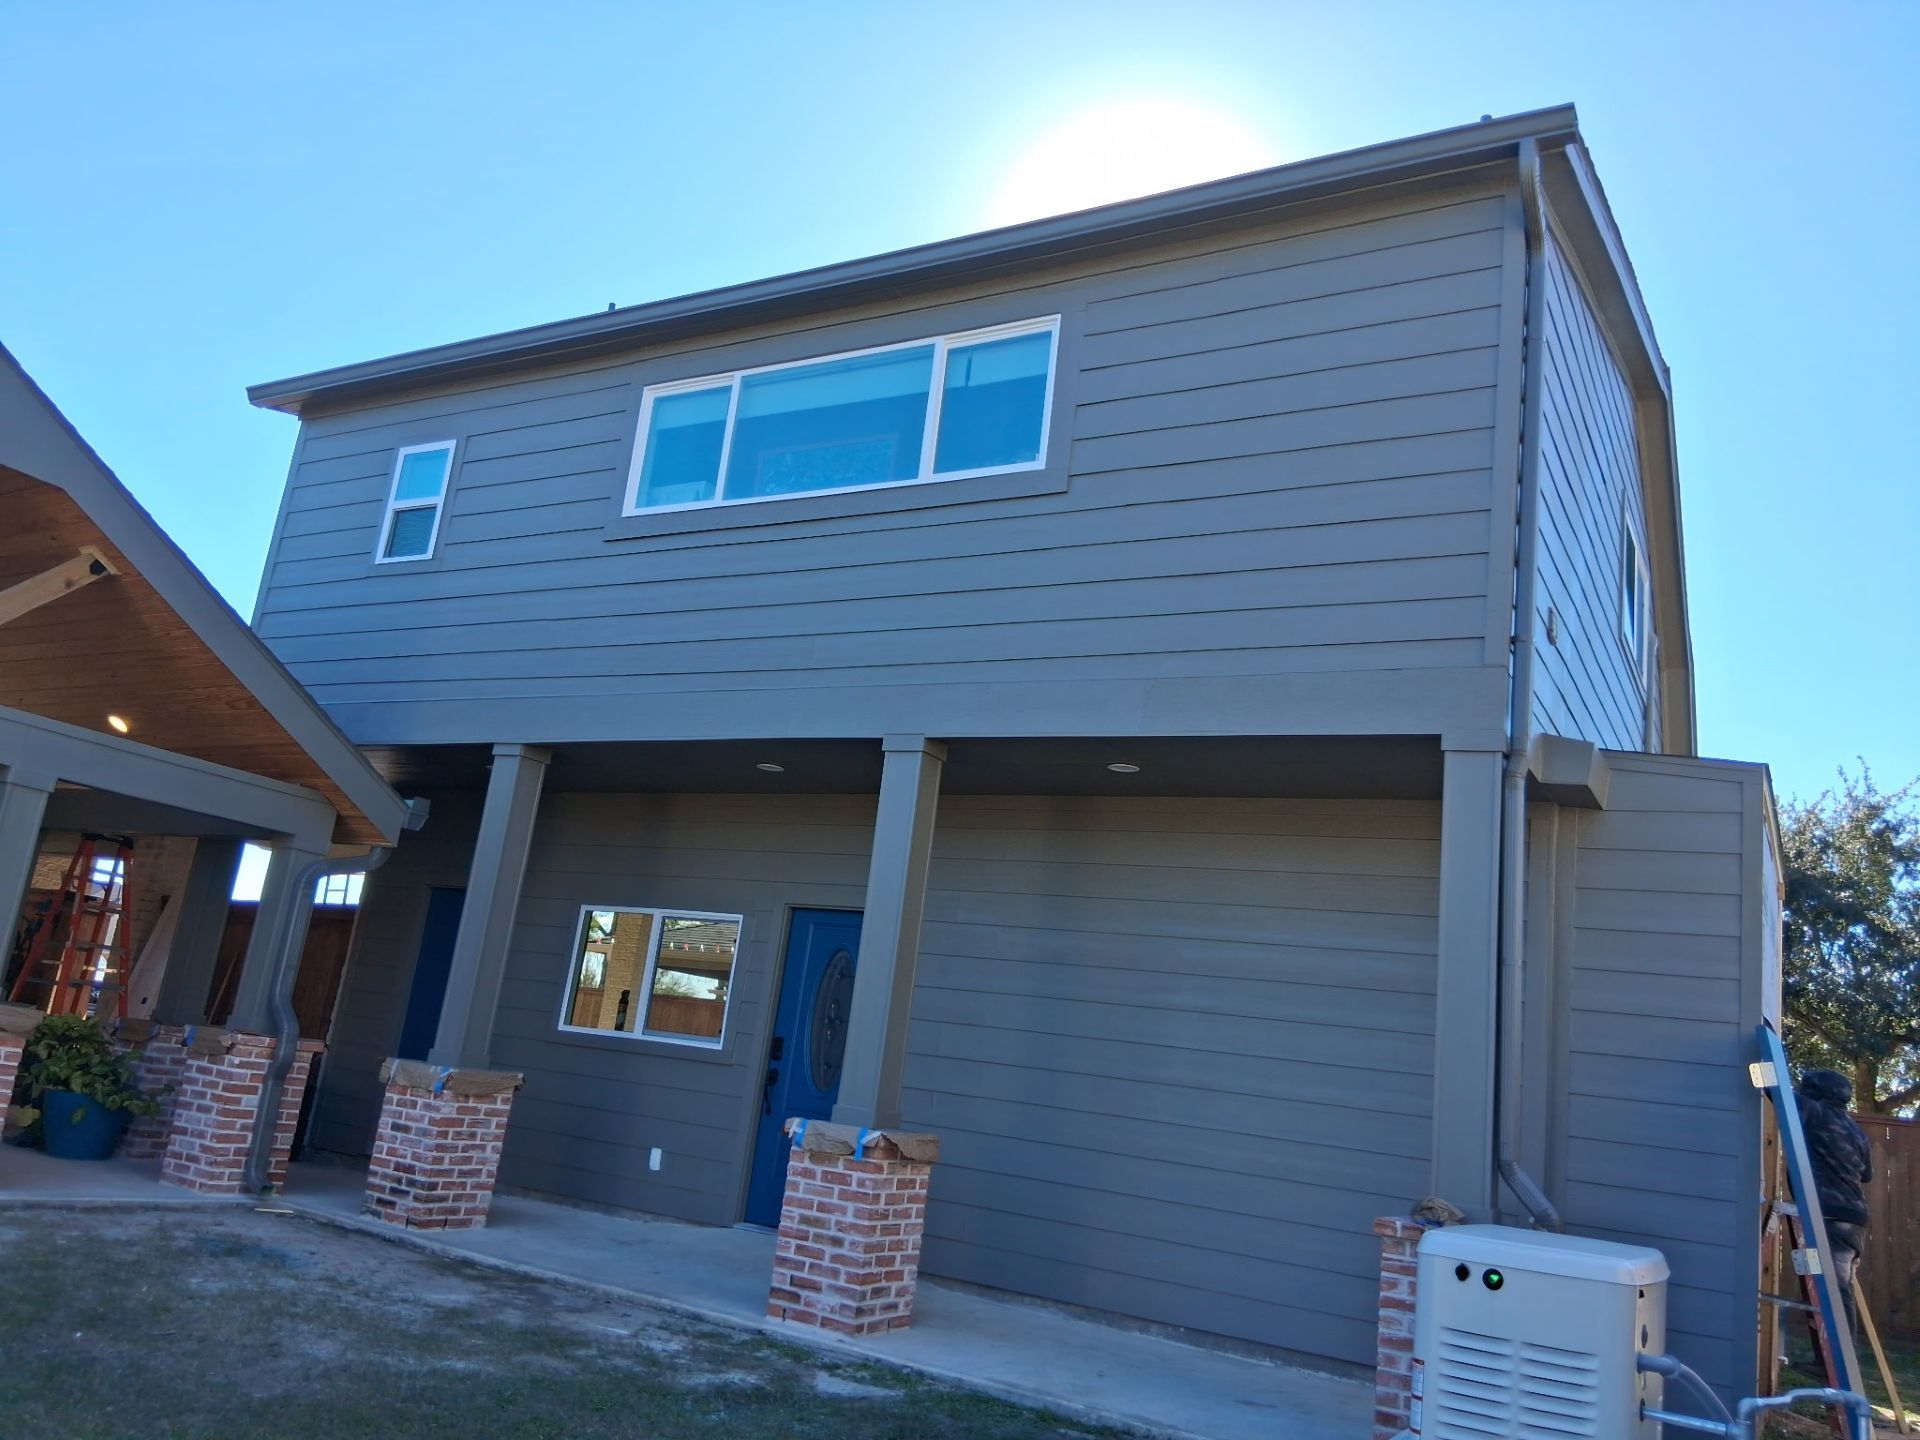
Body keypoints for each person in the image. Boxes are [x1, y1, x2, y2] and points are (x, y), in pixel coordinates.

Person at [1795, 1068, 1874, 1336]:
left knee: (1834, 1289)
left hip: (1831, 1216)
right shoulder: (1856, 1130)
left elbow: (1775, 1090)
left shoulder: (1817, 1113)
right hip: (1854, 1216)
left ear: (1817, 1092)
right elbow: (1867, 1175)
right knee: (1837, 1286)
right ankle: (1831, 1359)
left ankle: (1843, 1361)